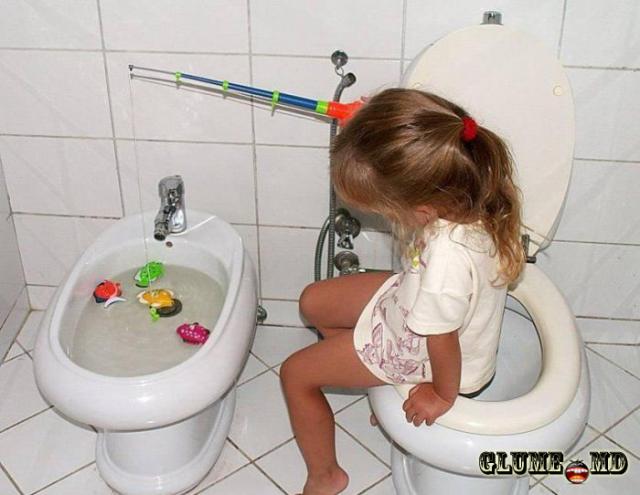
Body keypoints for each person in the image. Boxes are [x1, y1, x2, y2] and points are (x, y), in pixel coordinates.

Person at [279, 88, 525, 495]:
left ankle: (326, 476)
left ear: (421, 208)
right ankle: (372, 377)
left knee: (295, 374)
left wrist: (440, 395)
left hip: (423, 349)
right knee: (314, 302)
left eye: (382, 209)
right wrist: (368, 128)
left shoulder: (447, 259)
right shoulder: (466, 190)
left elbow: (441, 338)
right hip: (413, 302)